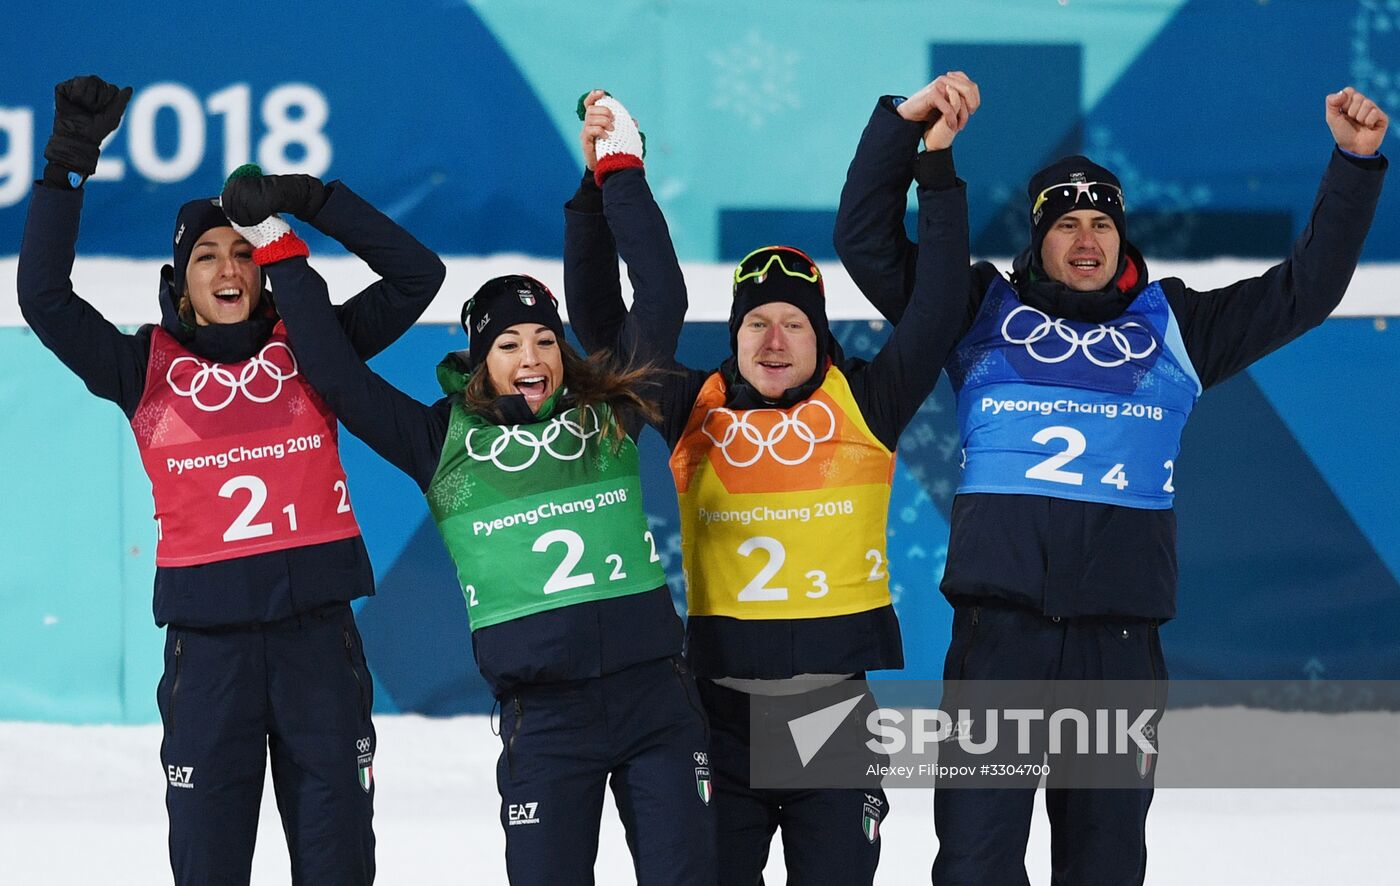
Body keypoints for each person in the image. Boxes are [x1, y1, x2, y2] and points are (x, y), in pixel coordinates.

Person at [833, 74, 1388, 885]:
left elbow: (1305, 291)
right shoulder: (972, 307)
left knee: (1104, 867)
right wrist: (902, 128)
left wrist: (1353, 165)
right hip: (1002, 642)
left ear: (1123, 238)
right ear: (1038, 239)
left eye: (1101, 222)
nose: (1086, 238)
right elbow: (865, 243)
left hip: (1119, 649)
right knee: (976, 868)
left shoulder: (1178, 326)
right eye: (1066, 224)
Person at [219, 168, 717, 885]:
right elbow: (331, 369)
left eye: (544, 340)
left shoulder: (606, 413)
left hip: (657, 706)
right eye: (509, 344)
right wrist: (278, 245)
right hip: (545, 721)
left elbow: (662, 294)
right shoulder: (439, 441)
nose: (531, 358)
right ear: (481, 363)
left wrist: (621, 174)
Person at [17, 75, 447, 885]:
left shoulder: (316, 349)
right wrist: (68, 161)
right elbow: (43, 298)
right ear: (180, 280)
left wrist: (308, 199)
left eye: (242, 252)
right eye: (206, 255)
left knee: (339, 866)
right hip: (208, 662)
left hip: (319, 649)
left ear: (264, 271)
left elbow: (417, 275)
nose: (227, 267)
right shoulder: (141, 367)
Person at [564, 88, 973, 885]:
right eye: (756, 322)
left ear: (821, 336)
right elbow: (604, 326)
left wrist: (936, 165)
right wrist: (596, 191)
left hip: (833, 720)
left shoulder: (867, 401)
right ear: (736, 334)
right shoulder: (692, 406)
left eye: (795, 323)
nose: (775, 339)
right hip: (716, 718)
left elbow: (939, 303)